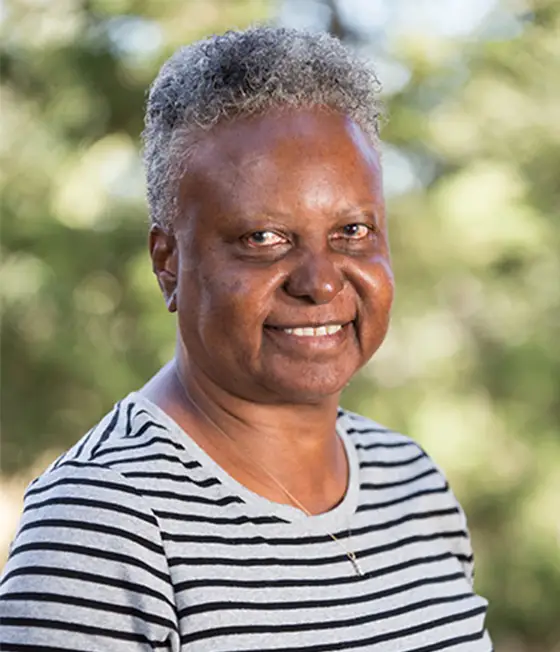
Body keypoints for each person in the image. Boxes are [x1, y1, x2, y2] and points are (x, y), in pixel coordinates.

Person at [0, 26, 491, 652]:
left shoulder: (413, 483)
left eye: (352, 230)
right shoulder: (102, 522)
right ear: (167, 262)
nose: (319, 281)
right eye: (263, 238)